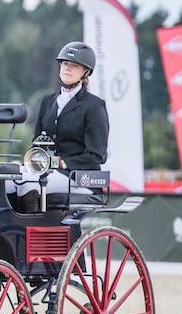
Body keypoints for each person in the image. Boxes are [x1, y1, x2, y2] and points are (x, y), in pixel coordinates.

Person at [9, 41, 109, 209]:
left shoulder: (94, 105)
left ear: (86, 72)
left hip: (78, 177)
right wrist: (33, 162)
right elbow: (37, 142)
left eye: (74, 65)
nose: (67, 68)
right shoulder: (48, 100)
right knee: (8, 180)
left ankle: (31, 230)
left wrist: (60, 163)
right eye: (64, 63)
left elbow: (97, 155)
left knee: (28, 185)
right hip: (45, 170)